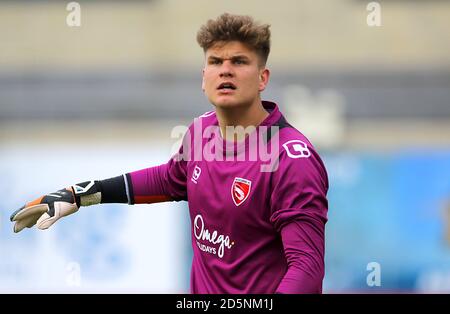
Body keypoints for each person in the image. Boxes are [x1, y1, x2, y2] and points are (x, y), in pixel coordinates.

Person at [10, 13, 329, 294]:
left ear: (263, 78)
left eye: (239, 61)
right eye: (216, 62)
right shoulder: (201, 132)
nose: (225, 71)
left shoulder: (291, 159)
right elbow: (168, 180)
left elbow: (306, 269)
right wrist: (80, 194)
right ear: (203, 78)